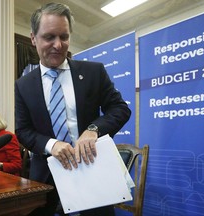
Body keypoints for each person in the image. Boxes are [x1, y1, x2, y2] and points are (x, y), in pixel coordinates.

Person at [14, 2, 131, 216]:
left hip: (93, 174)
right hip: (46, 182)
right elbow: (23, 130)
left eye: (64, 37)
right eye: (49, 37)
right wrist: (51, 144)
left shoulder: (94, 72)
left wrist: (94, 129)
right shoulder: (23, 84)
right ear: (33, 38)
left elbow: (120, 109)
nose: (58, 45)